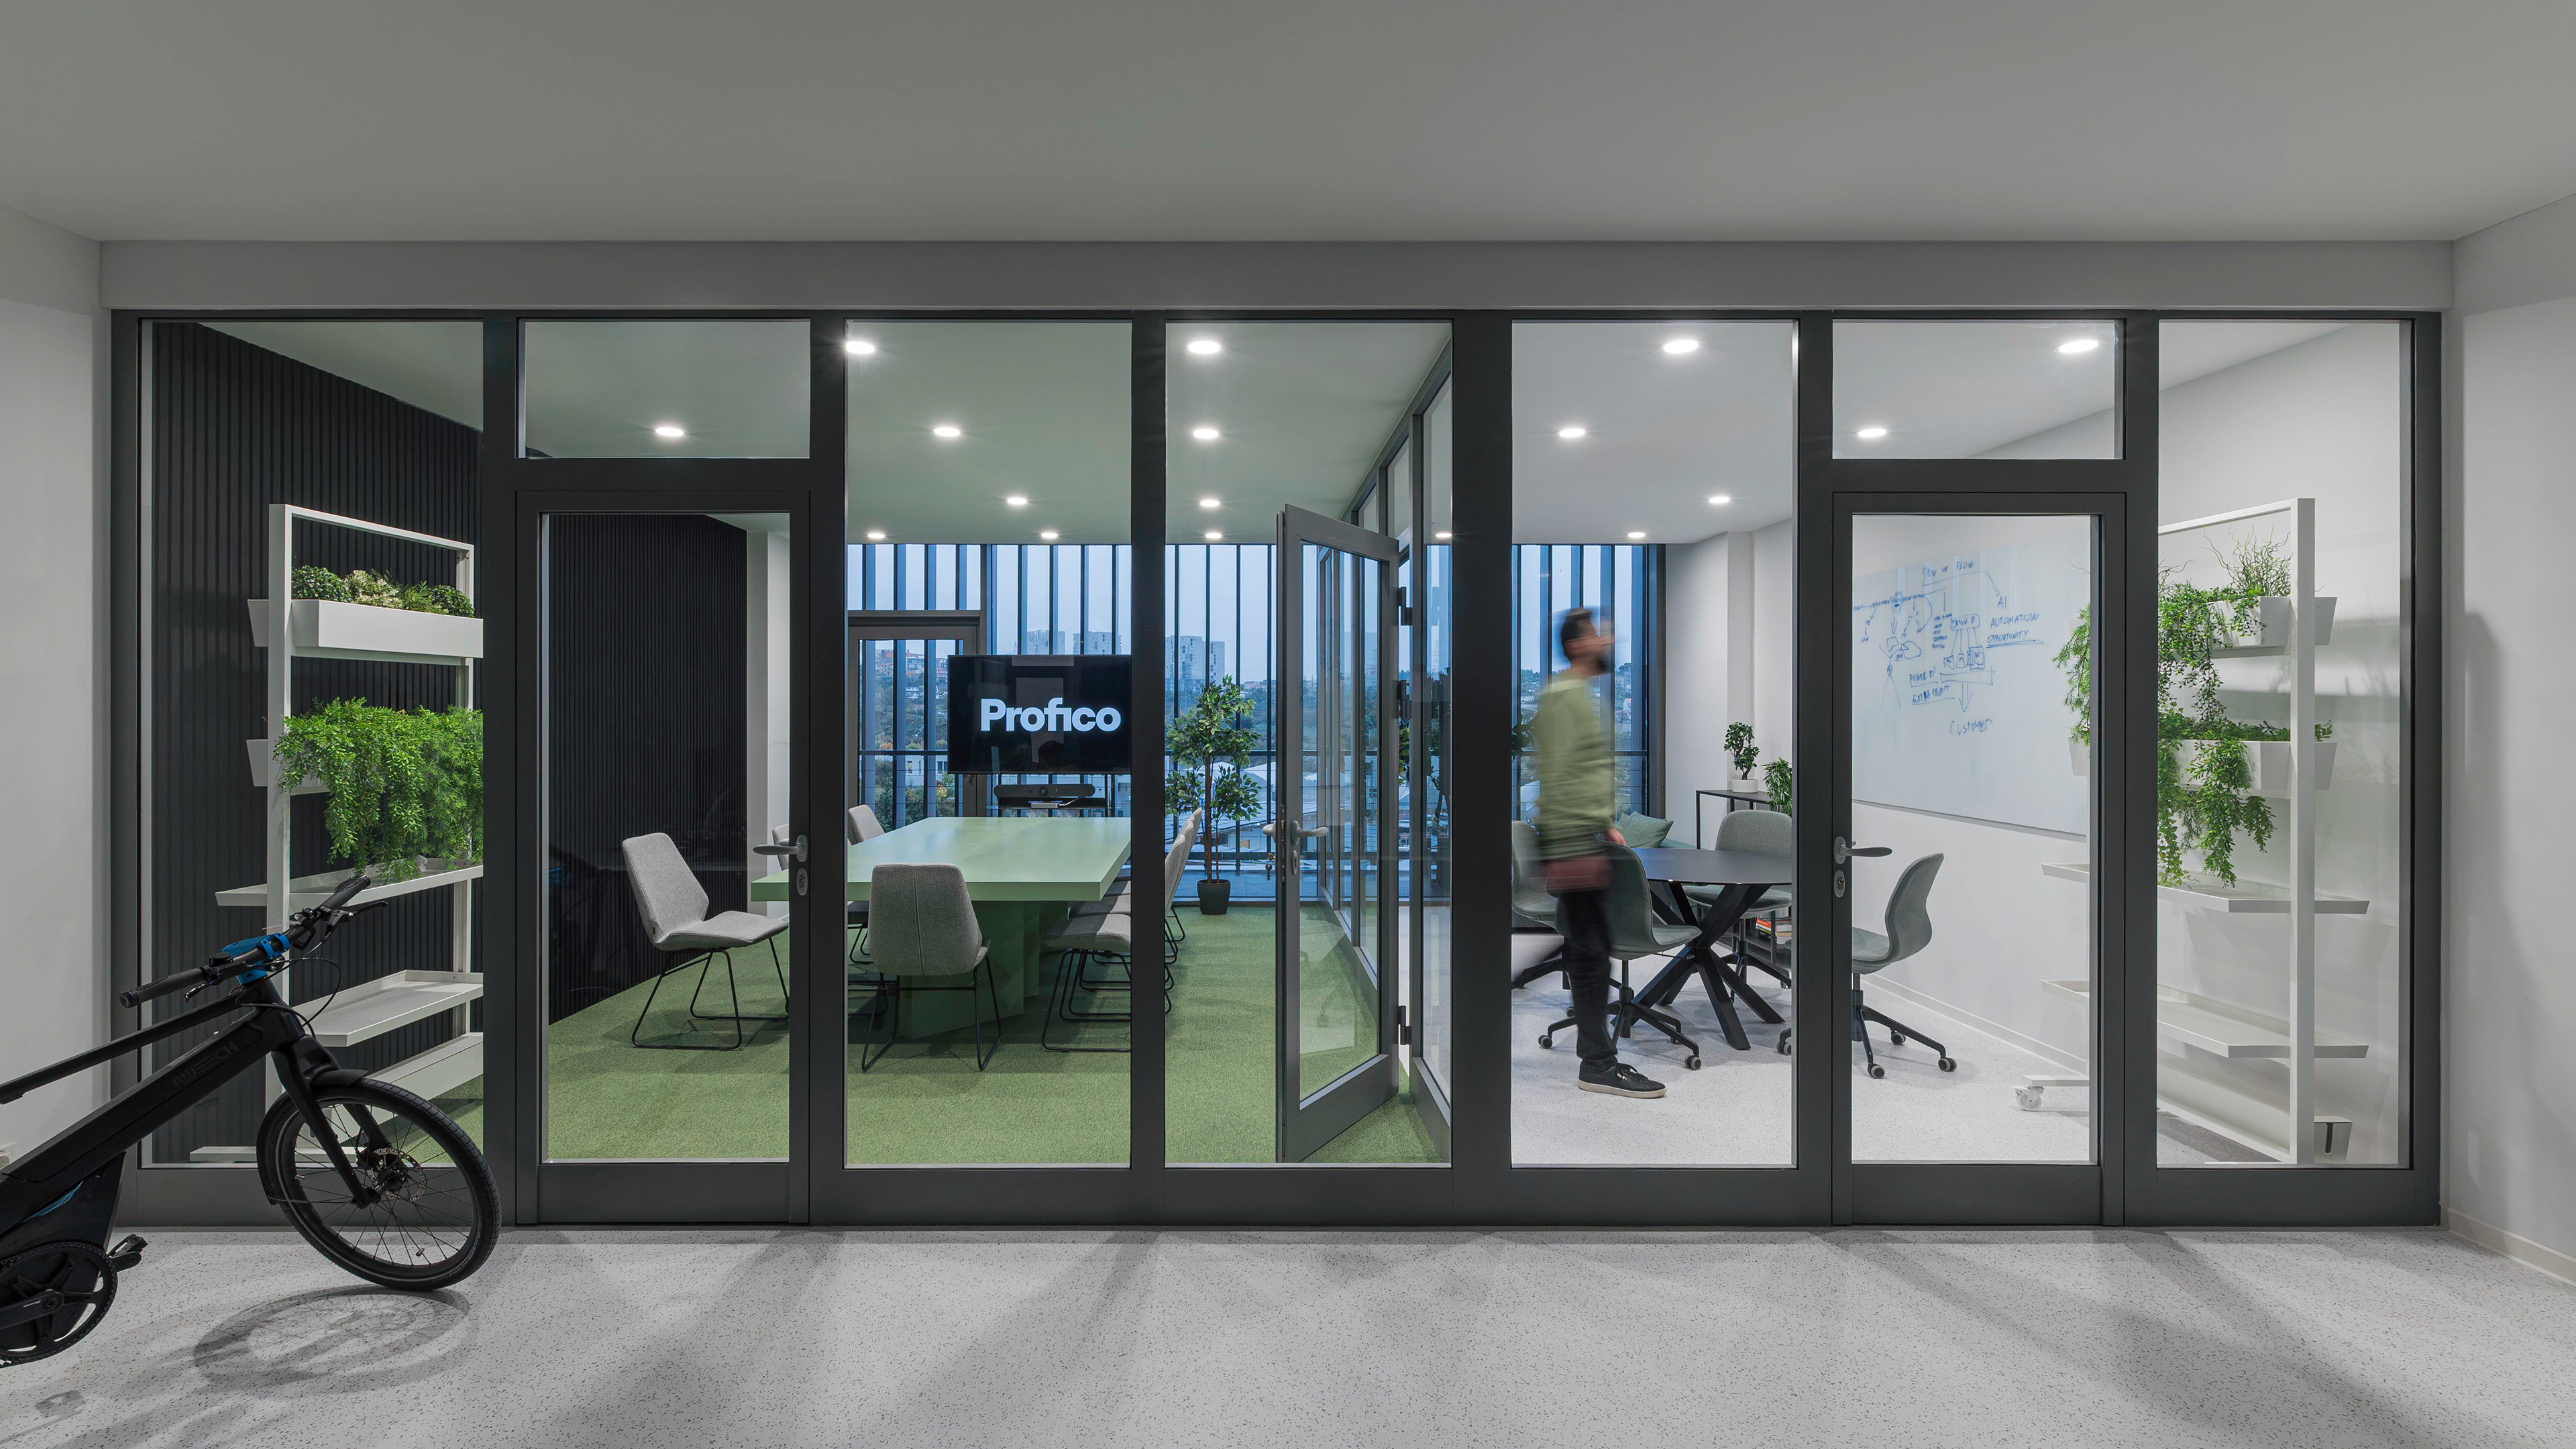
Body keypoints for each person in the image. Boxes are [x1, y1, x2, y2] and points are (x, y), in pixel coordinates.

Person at [1532, 607, 1665, 1099]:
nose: (1606, 640)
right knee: (1591, 953)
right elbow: (1561, 774)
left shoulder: (1576, 695)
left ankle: (1596, 1056)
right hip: (1574, 841)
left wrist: (1605, 822)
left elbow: (1579, 770)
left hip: (1582, 836)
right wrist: (1578, 841)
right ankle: (1598, 1064)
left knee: (1585, 947)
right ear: (1576, 645)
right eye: (1595, 634)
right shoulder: (1565, 698)